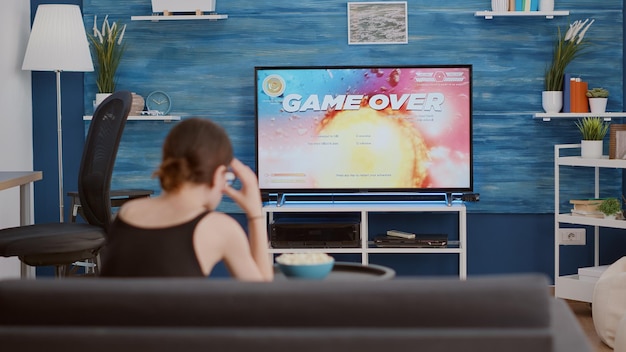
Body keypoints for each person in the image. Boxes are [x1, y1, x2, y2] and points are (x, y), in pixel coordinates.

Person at [99, 117, 273, 281]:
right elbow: (263, 300)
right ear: (219, 174)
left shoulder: (127, 212)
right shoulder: (220, 228)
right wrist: (254, 213)